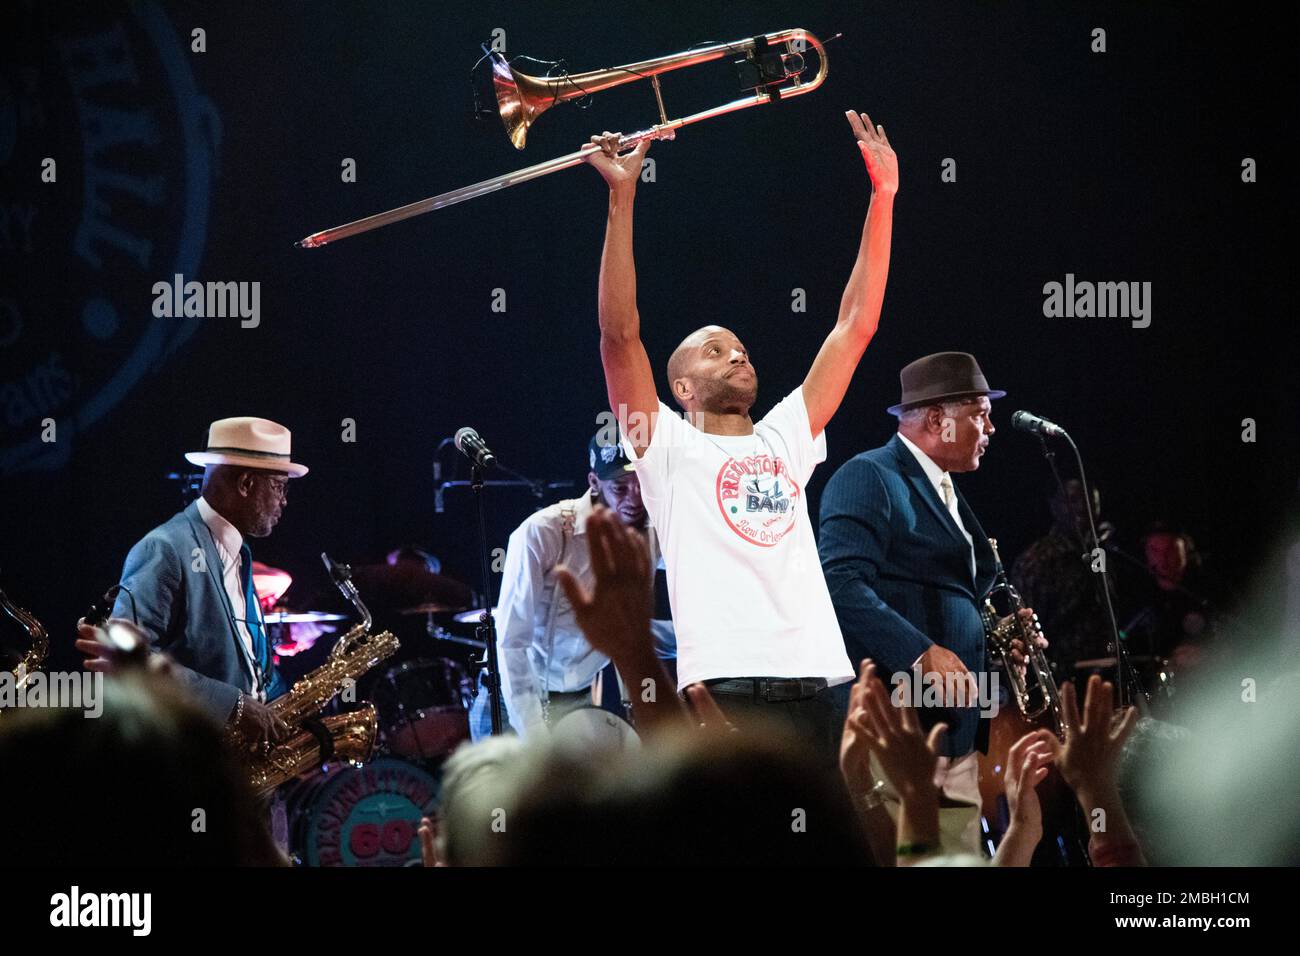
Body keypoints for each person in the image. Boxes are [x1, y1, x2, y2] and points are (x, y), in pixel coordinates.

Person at [585, 108, 898, 767]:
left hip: (823, 679)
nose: (737, 356)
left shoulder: (786, 435)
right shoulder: (664, 446)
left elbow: (855, 324)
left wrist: (883, 198)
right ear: (682, 389)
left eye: (741, 348)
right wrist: (622, 196)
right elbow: (619, 338)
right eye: (714, 352)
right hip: (725, 686)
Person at [818, 351, 1042, 852]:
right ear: (939, 419)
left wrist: (1001, 641)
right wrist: (921, 653)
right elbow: (841, 584)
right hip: (897, 731)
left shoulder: (947, 490)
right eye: (981, 414)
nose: (991, 427)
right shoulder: (869, 476)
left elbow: (955, 594)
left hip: (953, 734)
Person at [100, 417, 305, 746]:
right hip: (190, 766)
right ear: (246, 484)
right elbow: (124, 658)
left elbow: (247, 664)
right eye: (279, 486)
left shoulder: (240, 553)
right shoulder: (166, 547)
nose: (284, 501)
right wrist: (233, 706)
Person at [470, 429, 675, 741]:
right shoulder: (543, 532)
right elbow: (512, 642)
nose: (634, 499)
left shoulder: (651, 531)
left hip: (576, 700)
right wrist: (535, 738)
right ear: (594, 483)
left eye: (642, 486)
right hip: (512, 699)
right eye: (620, 488)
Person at [1012, 478, 1117, 670]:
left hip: (1107, 666)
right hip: (1060, 671)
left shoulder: (1098, 551)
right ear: (1055, 506)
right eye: (1074, 500)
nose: (1083, 508)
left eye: (1090, 501)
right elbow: (1025, 625)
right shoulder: (1037, 559)